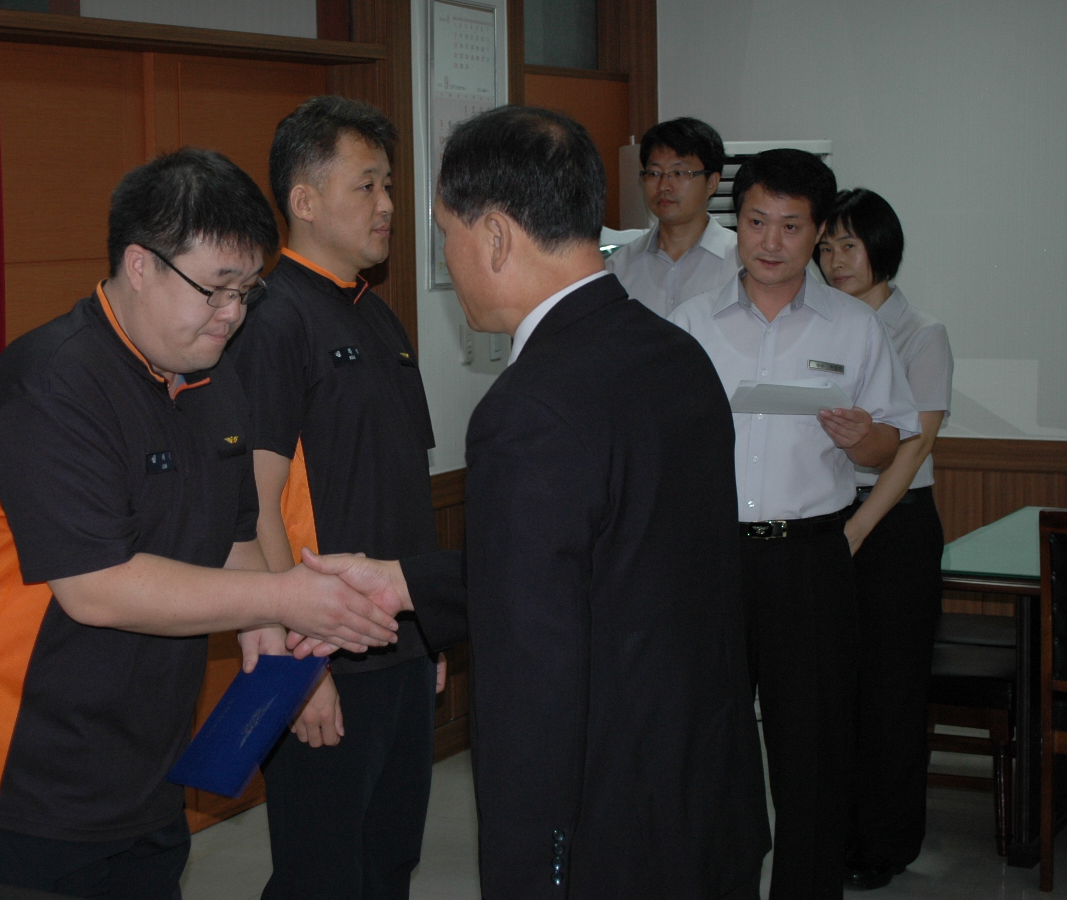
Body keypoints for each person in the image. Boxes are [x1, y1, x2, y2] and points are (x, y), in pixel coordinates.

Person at [296, 105, 771, 899]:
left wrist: (532, 869)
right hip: (704, 798)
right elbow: (611, 566)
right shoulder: (675, 355)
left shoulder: (529, 407)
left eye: (446, 234)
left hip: (608, 831)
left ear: (494, 236)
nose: (447, 258)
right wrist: (408, 582)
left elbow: (532, 680)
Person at [0, 148, 401, 900]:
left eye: (246, 291)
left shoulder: (211, 376)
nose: (232, 314)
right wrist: (285, 598)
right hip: (15, 775)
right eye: (215, 289)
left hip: (145, 765)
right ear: (139, 265)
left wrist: (272, 634)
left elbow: (235, 538)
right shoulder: (52, 384)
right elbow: (97, 587)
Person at [669, 151, 921, 900]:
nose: (770, 242)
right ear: (736, 223)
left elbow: (890, 444)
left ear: (817, 234)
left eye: (790, 226)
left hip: (809, 558)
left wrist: (862, 438)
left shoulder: (854, 327)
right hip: (712, 560)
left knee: (812, 752)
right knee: (709, 746)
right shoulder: (689, 325)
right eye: (756, 222)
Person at [228, 96, 443, 900]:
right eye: (367, 185)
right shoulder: (271, 319)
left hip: (400, 642)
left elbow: (404, 489)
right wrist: (296, 668)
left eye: (388, 185)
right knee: (322, 874)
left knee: (389, 861)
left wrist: (432, 626)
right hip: (323, 651)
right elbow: (254, 504)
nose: (387, 205)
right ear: (305, 199)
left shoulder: (380, 317)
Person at [815, 189, 953, 891]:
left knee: (890, 692)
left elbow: (913, 445)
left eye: (850, 244)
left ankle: (885, 843)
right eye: (826, 247)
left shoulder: (921, 333)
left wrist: (859, 527)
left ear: (881, 248)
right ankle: (834, 834)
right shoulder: (825, 327)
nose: (836, 260)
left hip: (893, 525)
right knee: (834, 689)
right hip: (830, 517)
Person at [604, 116, 738, 316]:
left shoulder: (741, 262)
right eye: (654, 173)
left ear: (712, 182)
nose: (663, 186)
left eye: (679, 173)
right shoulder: (618, 268)